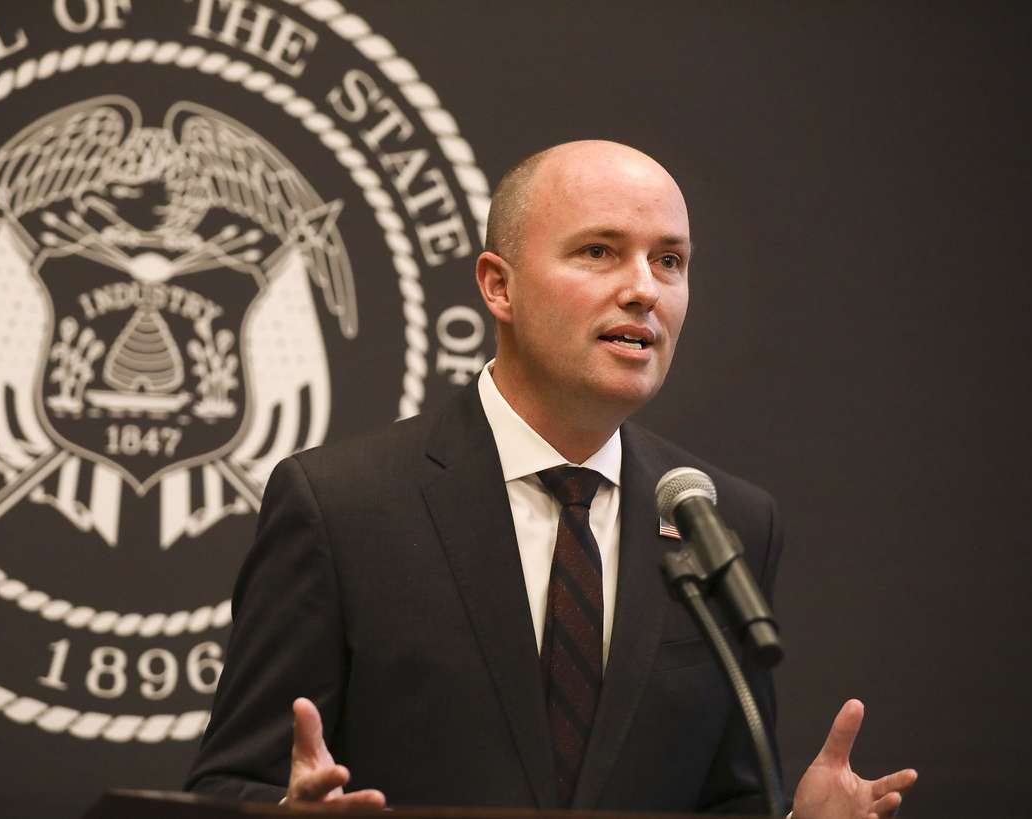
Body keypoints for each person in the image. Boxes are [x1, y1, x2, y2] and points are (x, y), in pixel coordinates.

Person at [185, 140, 917, 817]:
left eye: (670, 261)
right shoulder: (342, 507)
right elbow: (228, 784)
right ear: (498, 287)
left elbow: (727, 798)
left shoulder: (726, 523)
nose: (644, 290)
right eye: (600, 252)